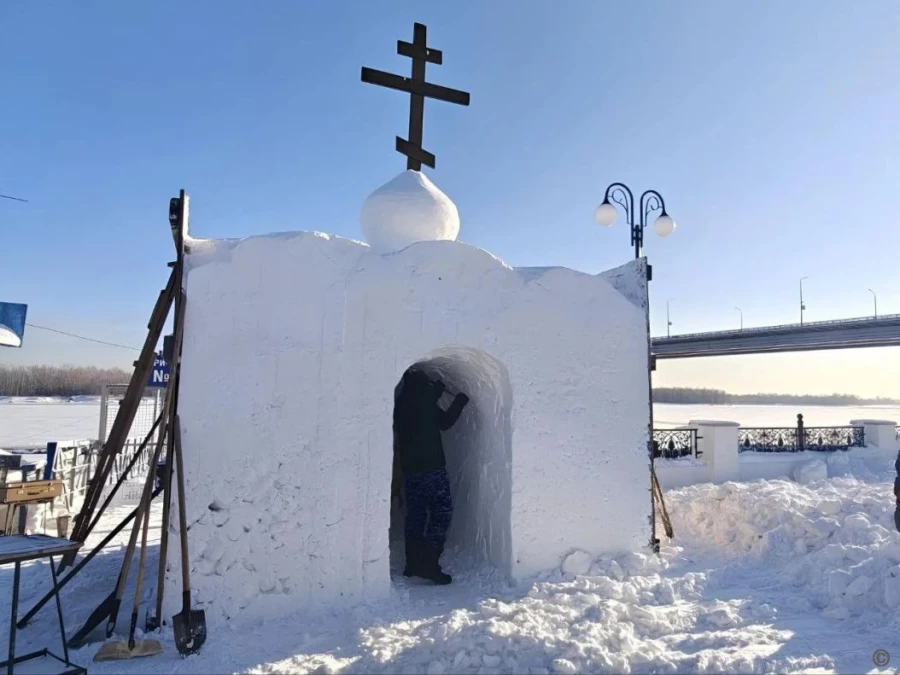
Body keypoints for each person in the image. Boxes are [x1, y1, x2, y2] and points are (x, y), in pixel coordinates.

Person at [393, 369, 469, 585]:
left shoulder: (401, 404)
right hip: (432, 469)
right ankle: (429, 563)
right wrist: (460, 401)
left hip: (412, 471)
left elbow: (428, 411)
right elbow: (445, 422)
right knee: (441, 512)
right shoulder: (423, 401)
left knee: (416, 516)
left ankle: (413, 562)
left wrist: (437, 393)